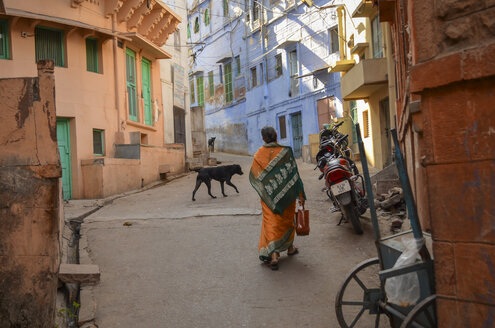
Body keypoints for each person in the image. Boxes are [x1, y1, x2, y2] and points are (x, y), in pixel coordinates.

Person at [249, 126, 306, 270]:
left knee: (271, 224)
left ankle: (274, 255)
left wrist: (267, 190)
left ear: (263, 138)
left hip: (269, 198)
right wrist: (300, 194)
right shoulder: (286, 151)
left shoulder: (258, 155)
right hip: (287, 195)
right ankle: (290, 248)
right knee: (287, 221)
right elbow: (294, 175)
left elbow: (255, 177)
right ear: (276, 136)